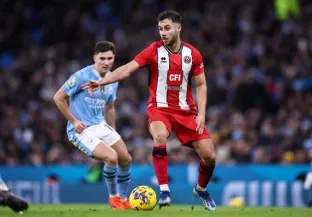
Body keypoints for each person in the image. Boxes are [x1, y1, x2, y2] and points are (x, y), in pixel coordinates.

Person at [82, 11, 216, 211]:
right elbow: (126, 69)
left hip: (186, 112)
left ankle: (201, 189)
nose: (163, 32)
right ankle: (164, 190)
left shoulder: (193, 54)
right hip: (159, 108)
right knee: (159, 136)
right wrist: (102, 81)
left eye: (167, 28)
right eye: (160, 28)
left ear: (179, 28)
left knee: (210, 156)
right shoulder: (154, 51)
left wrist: (202, 114)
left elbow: (202, 85)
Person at [53, 41, 132, 210]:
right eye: (102, 58)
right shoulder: (81, 76)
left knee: (126, 158)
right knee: (111, 157)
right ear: (95, 58)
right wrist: (74, 120)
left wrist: (113, 131)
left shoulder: (113, 79)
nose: (106, 62)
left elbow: (110, 107)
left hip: (100, 125)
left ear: (113, 58)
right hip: (80, 130)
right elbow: (58, 97)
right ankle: (114, 198)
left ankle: (125, 199)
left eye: (109, 58)